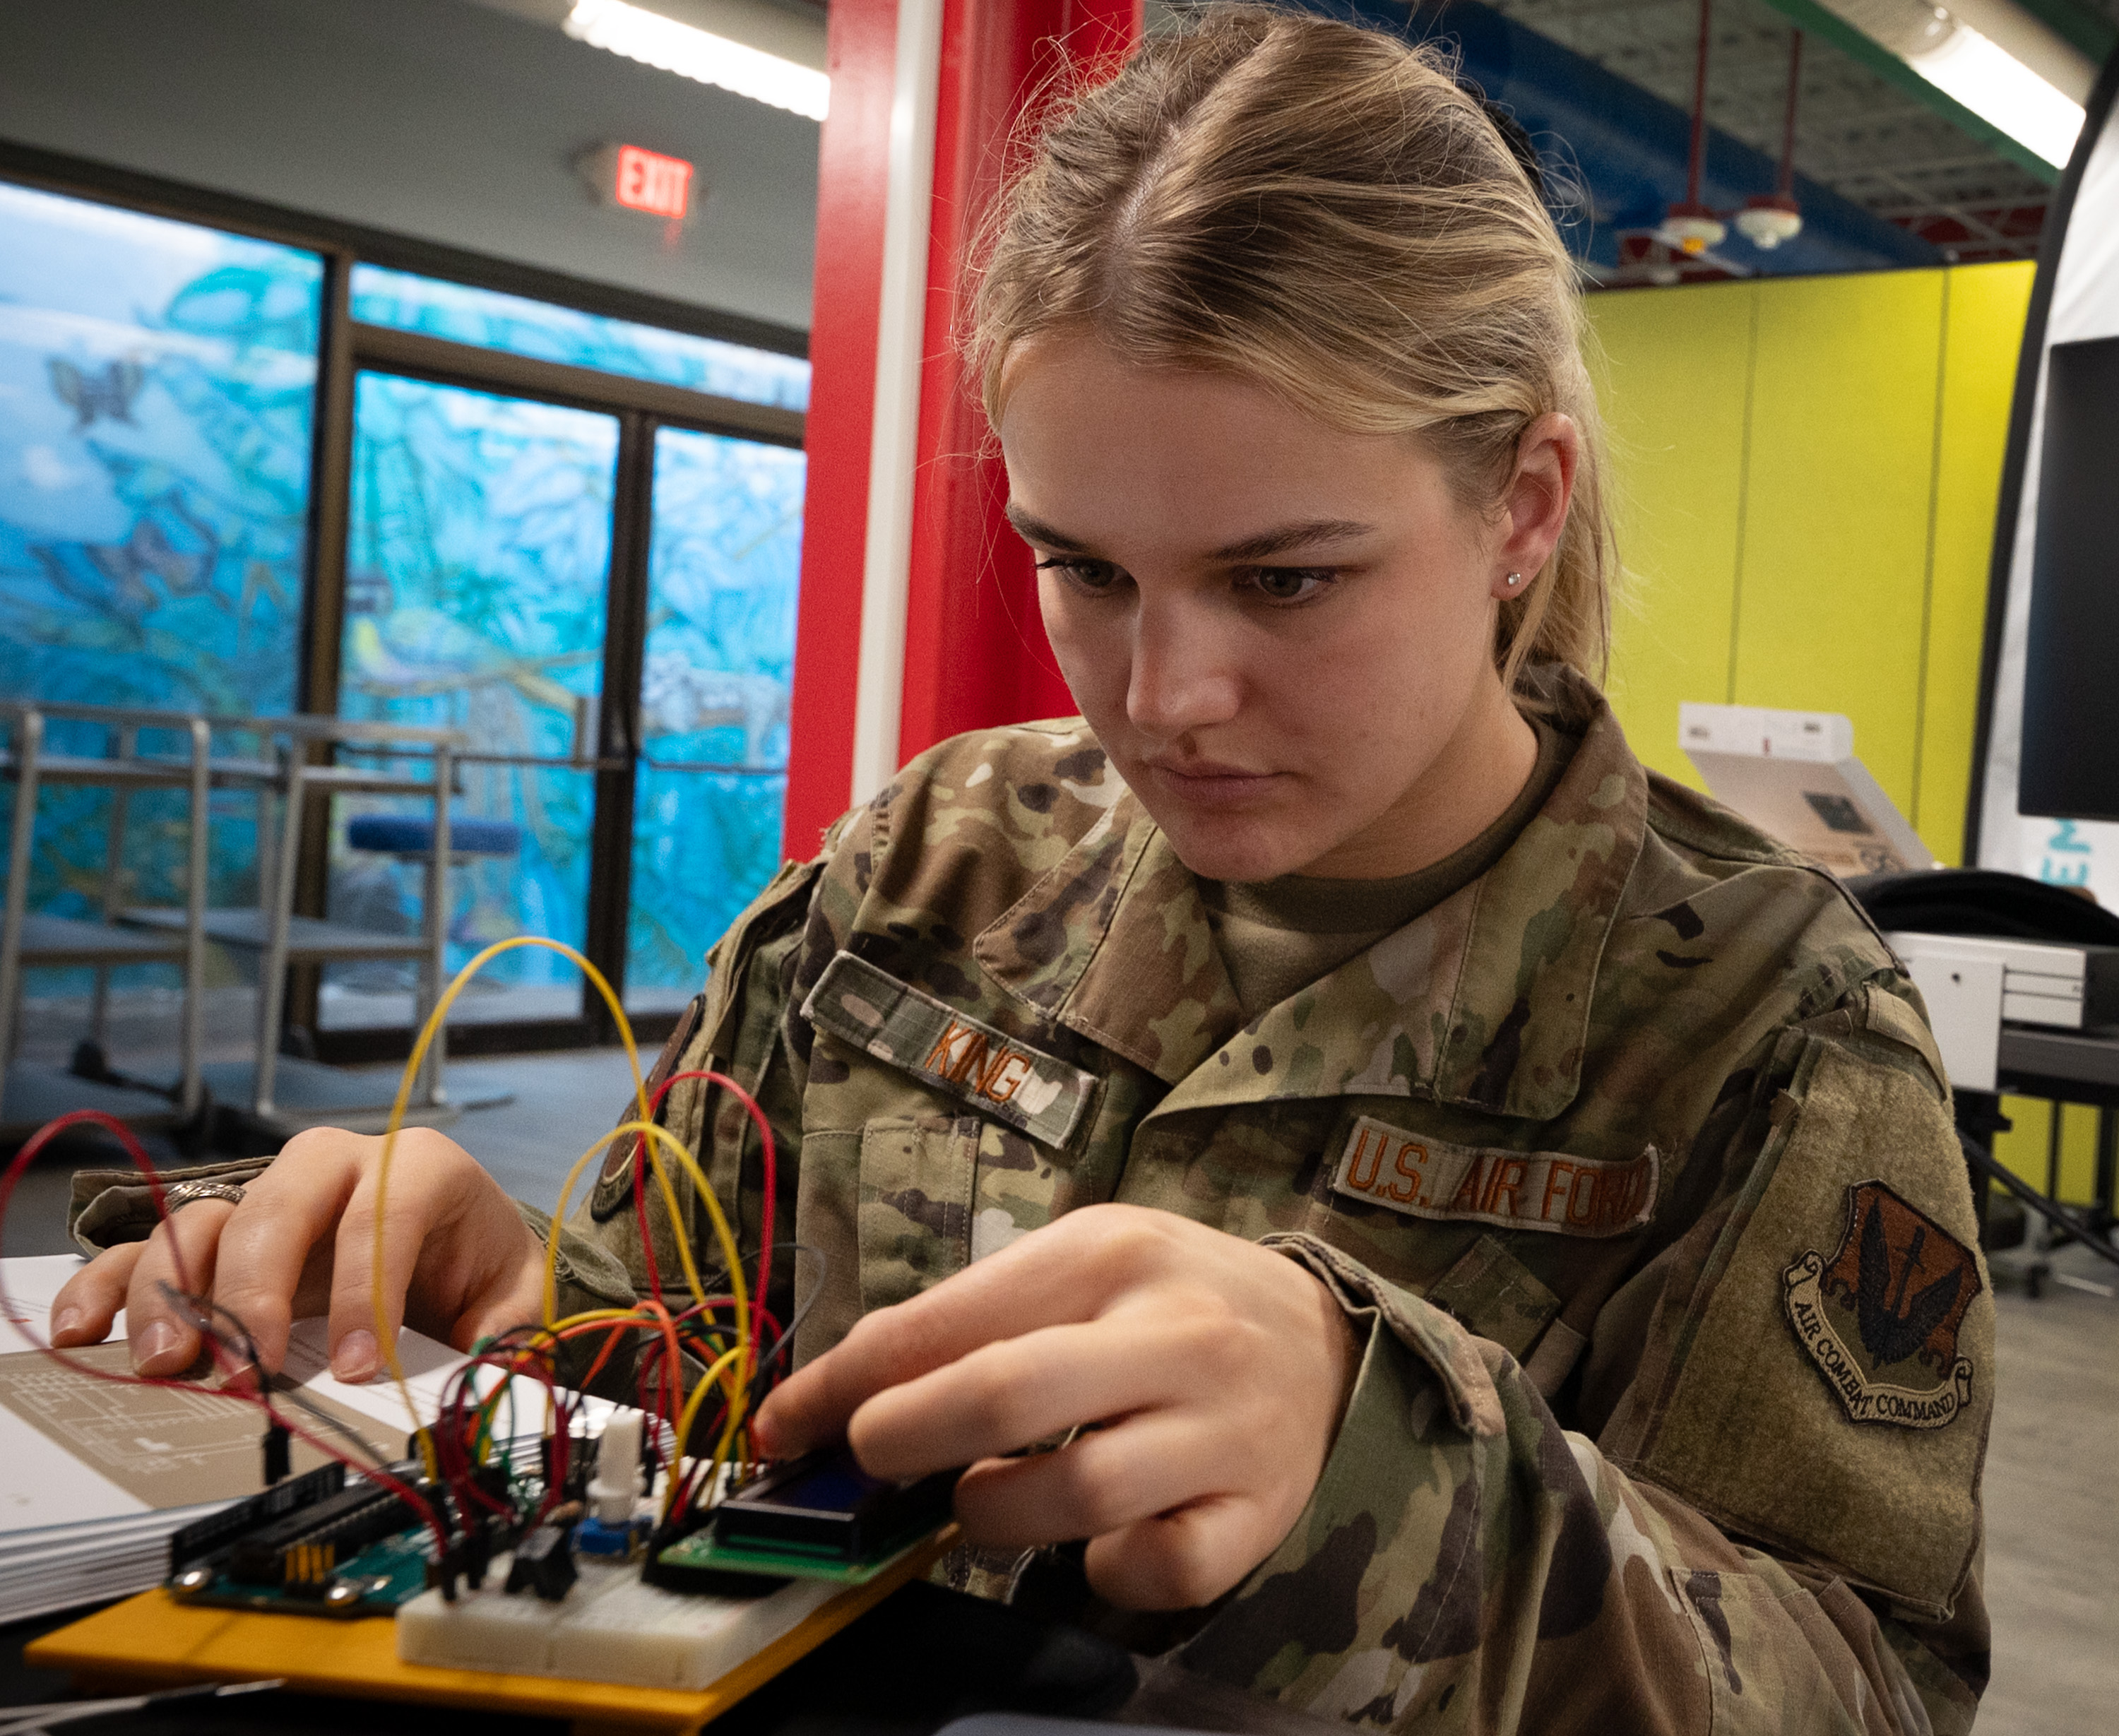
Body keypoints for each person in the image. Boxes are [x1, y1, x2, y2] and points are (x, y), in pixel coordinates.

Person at [51, 8, 1990, 1730]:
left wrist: (1383, 1467)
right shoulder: (926, 871)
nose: (1168, 695)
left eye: (1284, 577)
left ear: (1521, 506)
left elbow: (1865, 1684)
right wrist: (496, 1300)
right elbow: (676, 1373)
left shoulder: (1770, 1029)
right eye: (1084, 567)